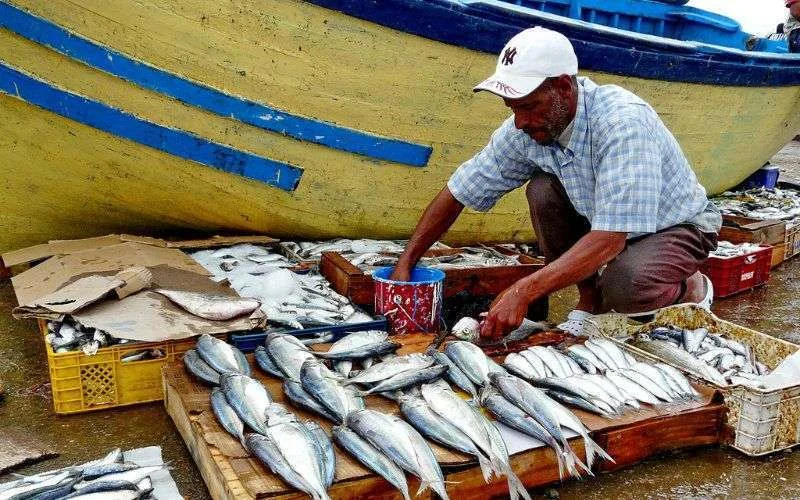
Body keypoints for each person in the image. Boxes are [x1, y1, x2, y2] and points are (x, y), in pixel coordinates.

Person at [390, 27, 721, 339]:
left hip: (675, 226)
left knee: (626, 288)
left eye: (529, 106)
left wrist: (524, 291)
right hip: (608, 227)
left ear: (564, 87)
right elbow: (460, 189)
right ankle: (589, 300)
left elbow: (609, 239)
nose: (520, 121)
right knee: (542, 189)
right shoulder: (527, 128)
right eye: (512, 108)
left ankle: (691, 287)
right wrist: (407, 263)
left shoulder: (622, 122)